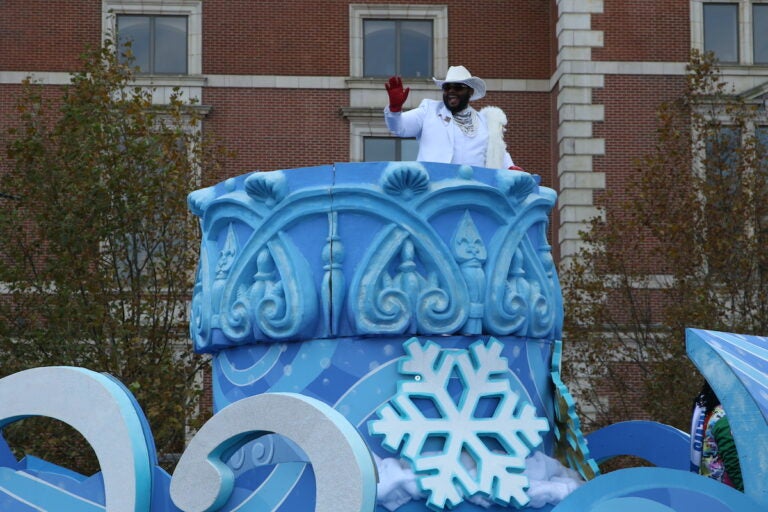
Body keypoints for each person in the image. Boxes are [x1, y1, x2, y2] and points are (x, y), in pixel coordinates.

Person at [384, 65, 522, 170]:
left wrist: (511, 168)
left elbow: (497, 152)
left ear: (470, 91)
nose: (451, 91)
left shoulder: (485, 122)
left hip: (473, 190)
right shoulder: (428, 111)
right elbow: (399, 127)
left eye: (458, 87)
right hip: (434, 189)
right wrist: (394, 109)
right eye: (447, 87)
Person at [690, 381, 743, 491]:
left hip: (710, 492)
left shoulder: (708, 411)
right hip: (728, 496)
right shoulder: (726, 420)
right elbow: (736, 470)